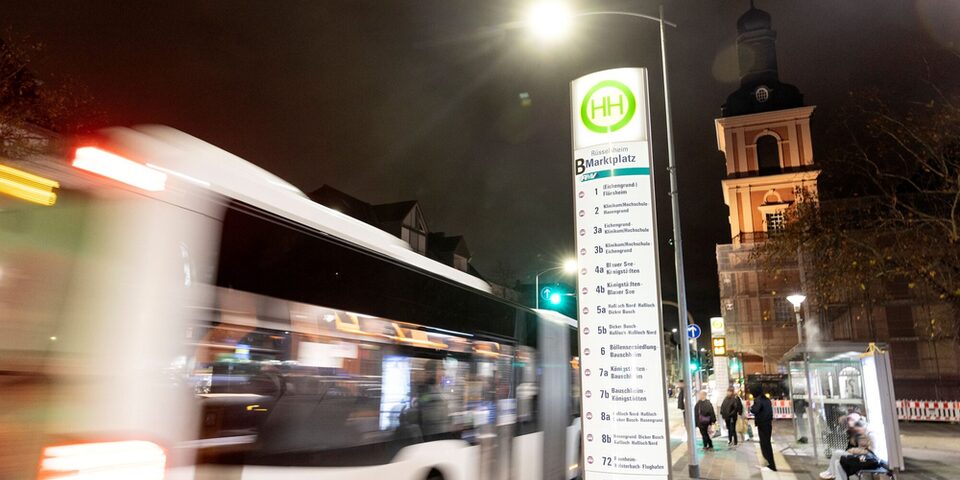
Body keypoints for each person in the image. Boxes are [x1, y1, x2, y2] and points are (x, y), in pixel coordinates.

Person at [750, 385, 776, 471]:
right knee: (767, 444)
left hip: (762, 424)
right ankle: (770, 463)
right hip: (768, 423)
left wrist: (752, 408)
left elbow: (755, 410)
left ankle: (771, 465)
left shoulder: (758, 400)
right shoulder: (766, 399)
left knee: (765, 445)